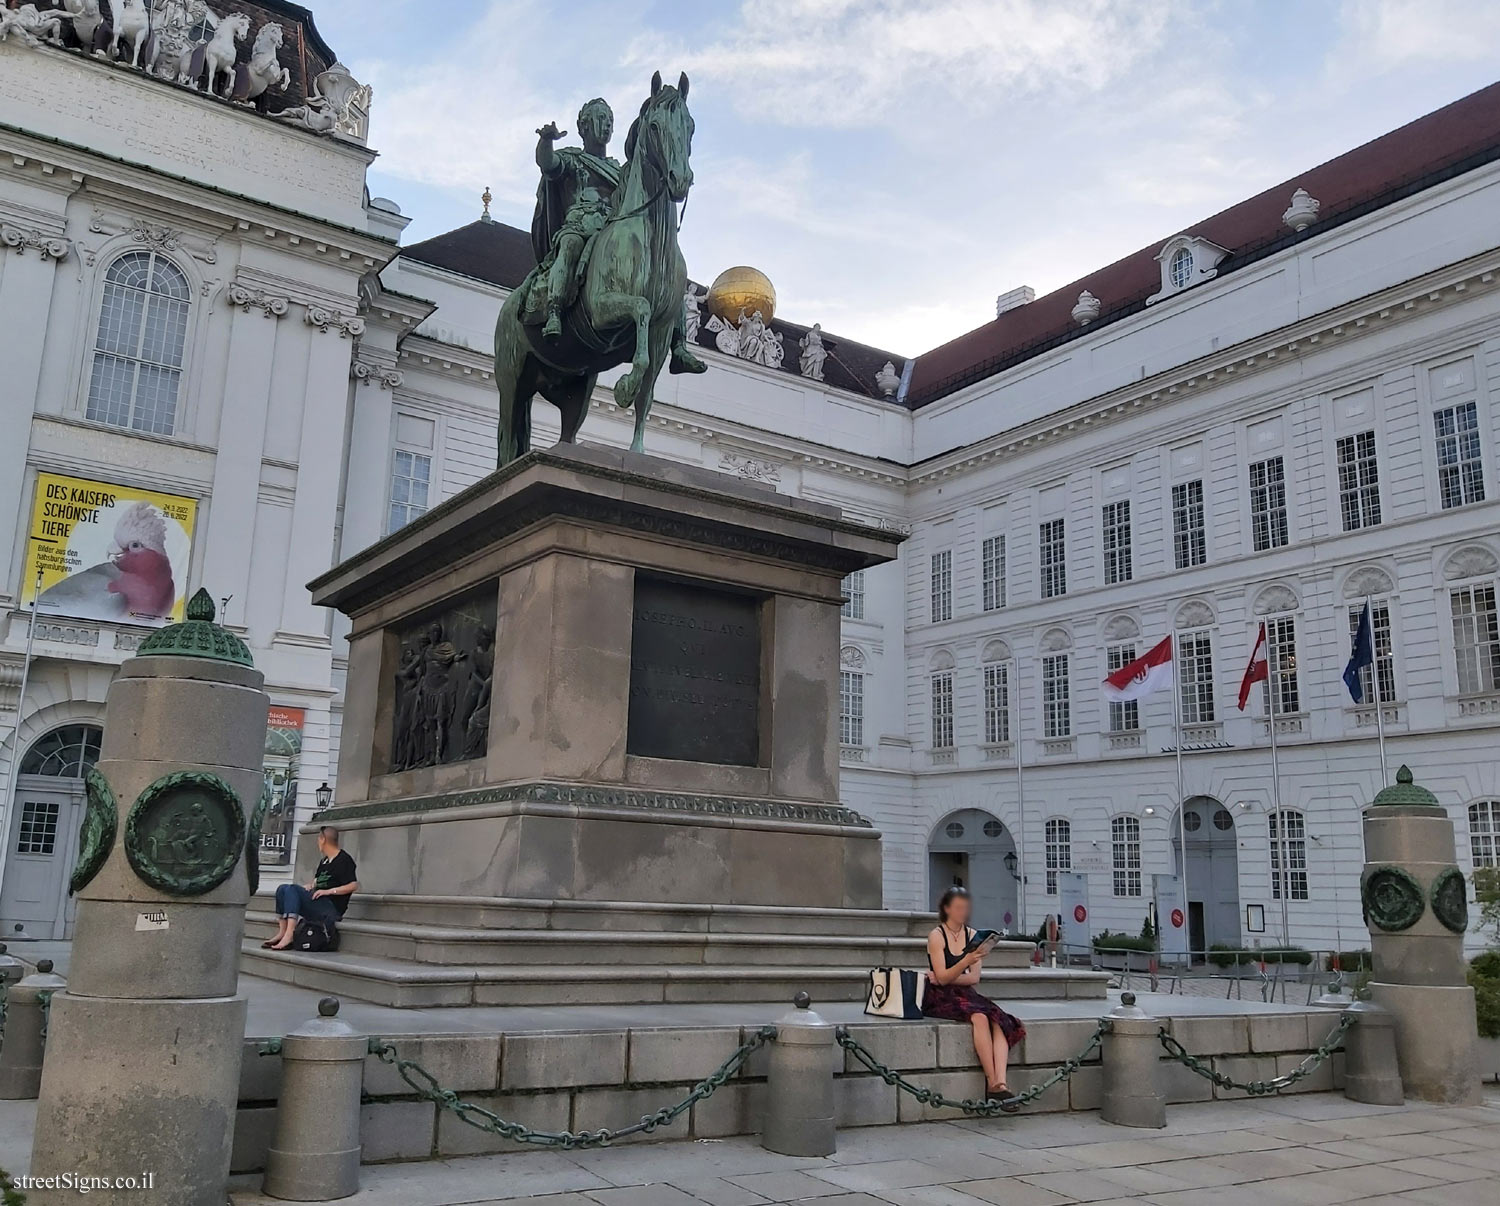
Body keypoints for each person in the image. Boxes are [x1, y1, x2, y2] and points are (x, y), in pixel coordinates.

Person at [923, 886, 1026, 1107]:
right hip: (939, 997)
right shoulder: (936, 936)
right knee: (979, 1016)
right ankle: (992, 1083)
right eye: (958, 907)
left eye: (966, 908)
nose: (963, 912)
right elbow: (941, 979)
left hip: (965, 993)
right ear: (947, 909)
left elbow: (973, 979)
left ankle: (1000, 1083)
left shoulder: (973, 935)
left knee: (999, 1019)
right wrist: (964, 963)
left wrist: (950, 976)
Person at [263, 826, 358, 950]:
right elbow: (319, 880)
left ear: (323, 839)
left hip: (331, 908)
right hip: (319, 902)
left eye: (319, 838)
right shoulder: (324, 861)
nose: (318, 842)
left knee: (293, 889)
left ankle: (290, 934)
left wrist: (329, 891)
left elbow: (353, 885)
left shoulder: (344, 860)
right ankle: (282, 932)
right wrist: (311, 885)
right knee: (283, 889)